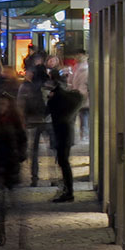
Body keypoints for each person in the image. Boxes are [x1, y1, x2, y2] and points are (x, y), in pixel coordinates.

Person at [0, 92, 28, 247]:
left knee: (15, 201)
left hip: (12, 164)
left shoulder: (15, 121)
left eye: (3, 104)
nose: (0, 107)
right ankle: (0, 234)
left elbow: (23, 140)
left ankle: (21, 233)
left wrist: (20, 155)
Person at [46, 71, 81, 202]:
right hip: (64, 131)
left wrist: (50, 99)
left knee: (63, 162)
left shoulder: (57, 97)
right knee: (63, 161)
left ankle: (68, 191)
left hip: (61, 132)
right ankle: (67, 190)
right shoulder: (65, 95)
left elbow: (49, 111)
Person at [17, 65, 49, 187]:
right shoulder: (48, 85)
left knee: (34, 151)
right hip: (47, 121)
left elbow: (20, 106)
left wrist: (21, 122)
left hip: (32, 122)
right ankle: (56, 177)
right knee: (52, 149)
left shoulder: (25, 87)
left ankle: (34, 177)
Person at [70, 50, 89, 146]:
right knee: (81, 116)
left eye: (80, 55)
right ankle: (81, 136)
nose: (78, 57)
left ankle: (83, 136)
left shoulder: (85, 68)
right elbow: (72, 82)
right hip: (77, 96)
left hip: (82, 96)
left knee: (83, 116)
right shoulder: (75, 68)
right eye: (76, 55)